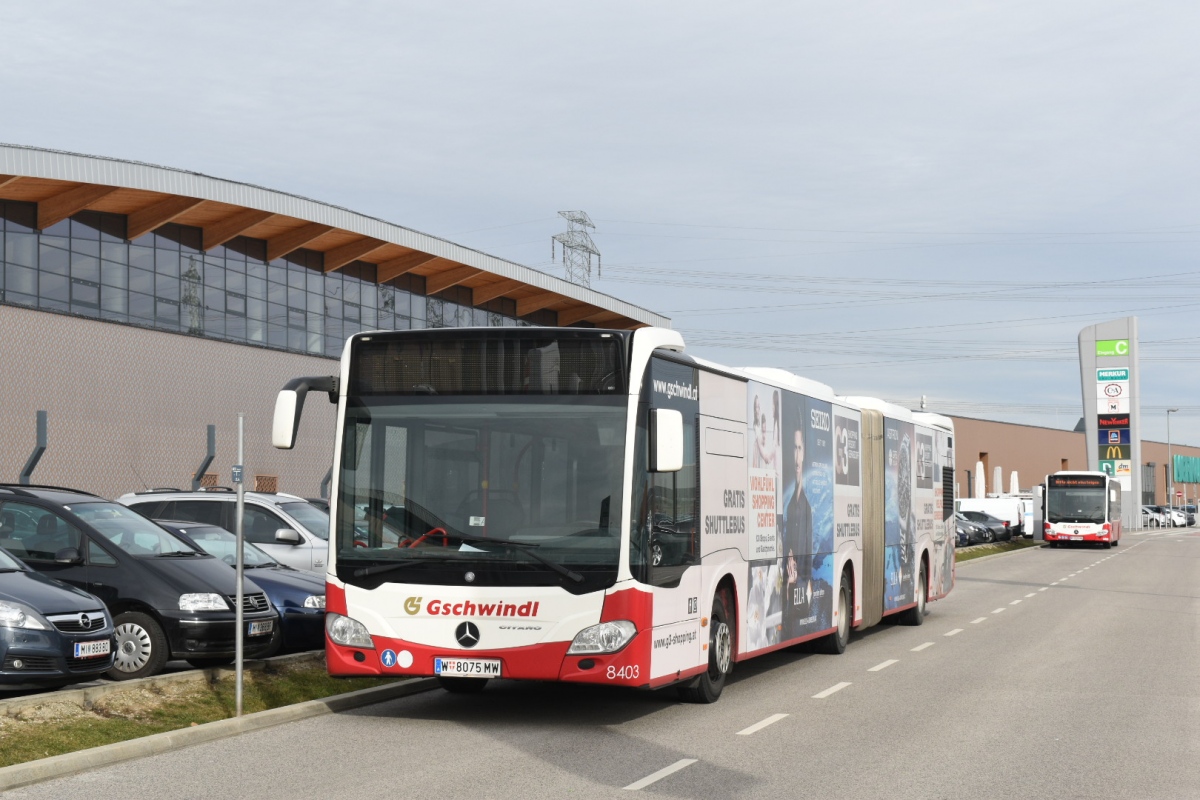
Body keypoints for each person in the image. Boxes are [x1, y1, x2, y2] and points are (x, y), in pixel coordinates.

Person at [781, 425, 813, 640]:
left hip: (800, 588)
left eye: (800, 448)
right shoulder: (789, 504)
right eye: (793, 448)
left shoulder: (806, 506)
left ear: (805, 453)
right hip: (791, 588)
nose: (796, 456)